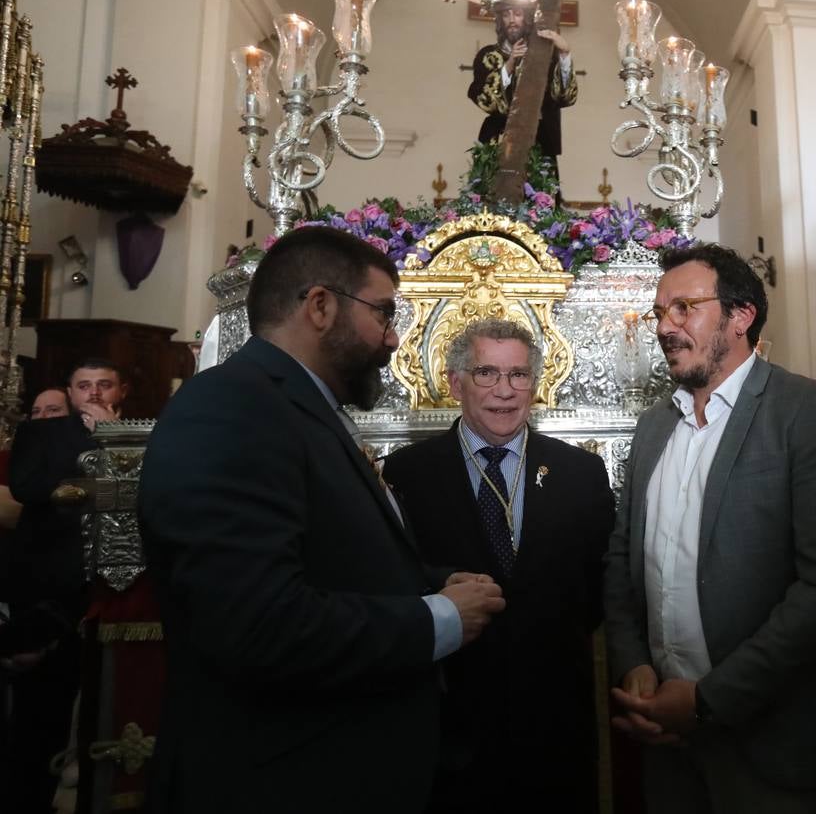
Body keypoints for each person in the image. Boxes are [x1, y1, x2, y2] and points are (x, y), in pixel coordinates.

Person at [136, 225, 506, 814]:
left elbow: (327, 558)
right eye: (383, 313)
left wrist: (432, 583)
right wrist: (438, 618)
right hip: (281, 781)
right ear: (320, 306)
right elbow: (258, 625)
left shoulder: (300, 406)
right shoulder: (229, 407)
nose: (392, 338)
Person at [604, 244, 816, 813]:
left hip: (773, 748)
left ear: (741, 315)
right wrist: (636, 669)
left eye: (684, 308)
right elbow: (623, 560)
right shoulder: (654, 427)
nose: (665, 327)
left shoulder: (810, 413)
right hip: (670, 746)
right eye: (659, 313)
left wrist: (707, 699)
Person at [382, 318, 615, 814]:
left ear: (535, 383)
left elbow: (601, 591)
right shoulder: (408, 473)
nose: (504, 392)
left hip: (554, 732)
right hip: (449, 731)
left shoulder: (581, 473)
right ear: (454, 383)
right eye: (486, 373)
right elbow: (395, 587)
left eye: (519, 376)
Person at [0, 361, 127, 813]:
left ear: (121, 390)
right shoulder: (44, 434)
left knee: (105, 707)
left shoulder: (139, 433)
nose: (93, 393)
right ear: (70, 393)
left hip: (113, 588)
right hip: (51, 583)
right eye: (84, 385)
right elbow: (28, 486)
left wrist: (116, 440)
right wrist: (103, 487)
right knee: (40, 714)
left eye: (103, 384)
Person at [468, 0, 577, 181]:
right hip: (498, 139)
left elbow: (564, 97)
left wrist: (564, 54)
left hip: (539, 140)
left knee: (539, 200)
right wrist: (509, 64)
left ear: (527, 19)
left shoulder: (543, 55)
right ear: (500, 21)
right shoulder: (488, 56)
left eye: (517, 14)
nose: (511, 20)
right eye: (506, 15)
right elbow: (485, 100)